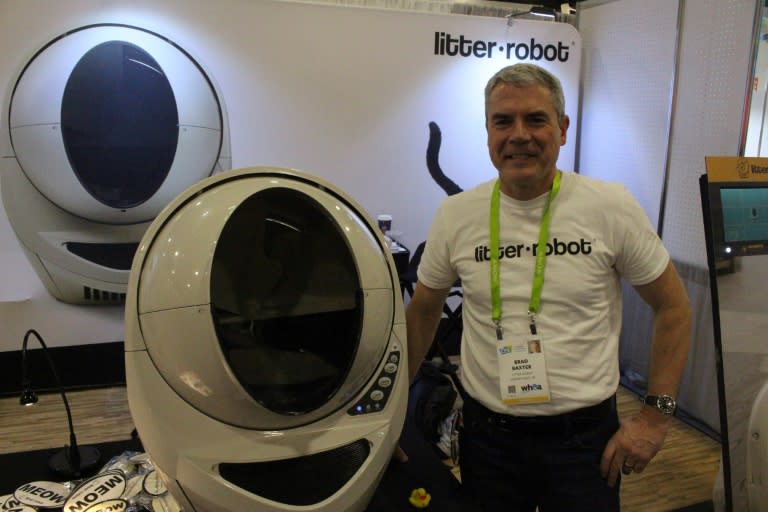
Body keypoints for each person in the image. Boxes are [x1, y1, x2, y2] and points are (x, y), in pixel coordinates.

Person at [402, 63, 692, 511]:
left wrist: (655, 419)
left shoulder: (609, 206)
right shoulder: (457, 215)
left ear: (562, 129)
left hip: (583, 444)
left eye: (536, 119)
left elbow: (673, 307)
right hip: (487, 440)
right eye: (503, 121)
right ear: (488, 132)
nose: (519, 134)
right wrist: (393, 413)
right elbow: (422, 312)